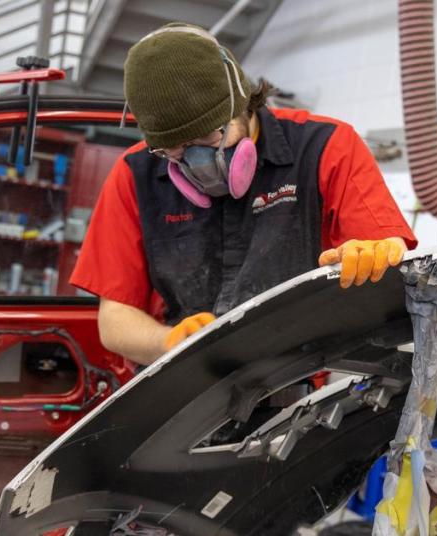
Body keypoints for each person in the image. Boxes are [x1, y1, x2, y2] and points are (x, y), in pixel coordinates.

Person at [71, 23, 417, 365]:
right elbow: (114, 321)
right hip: (185, 384)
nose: (198, 161)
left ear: (242, 103)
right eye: (175, 150)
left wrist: (375, 254)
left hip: (293, 378)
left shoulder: (327, 147)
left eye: (209, 138)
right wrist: (169, 342)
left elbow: (388, 251)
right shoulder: (134, 173)